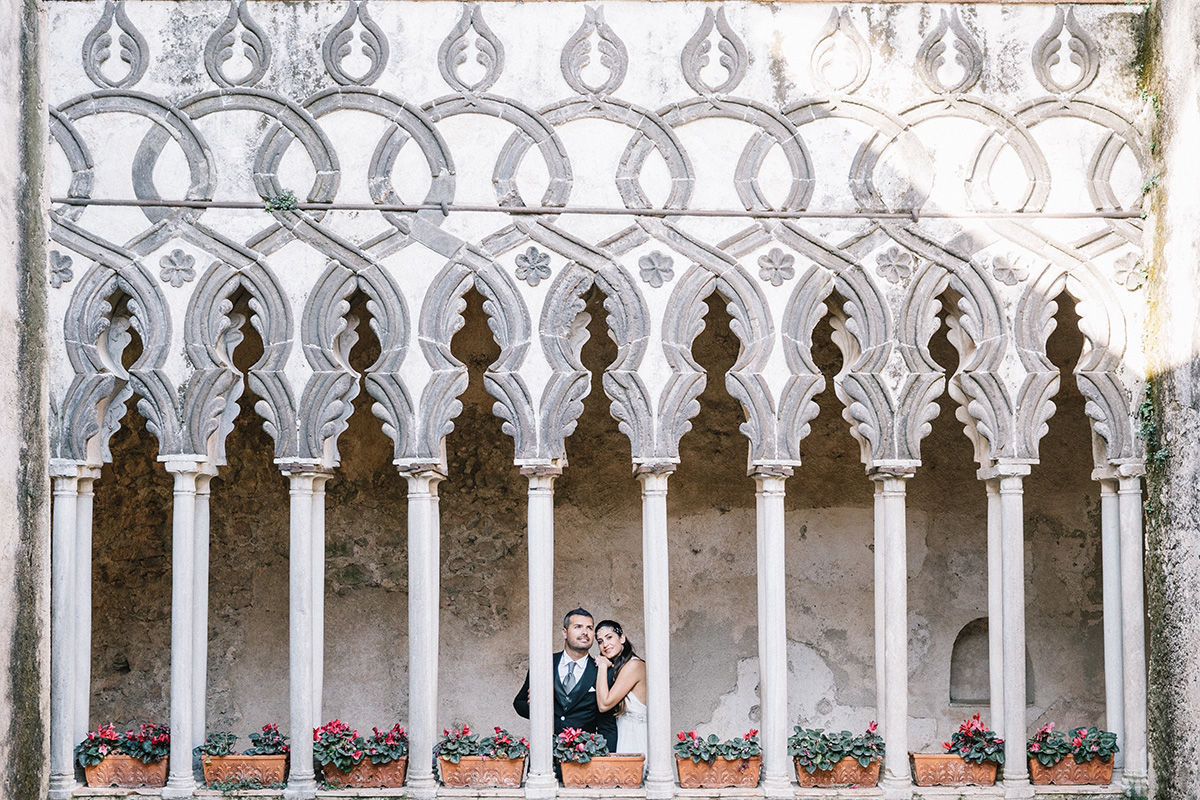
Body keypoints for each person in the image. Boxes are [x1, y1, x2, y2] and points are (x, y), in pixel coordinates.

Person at [514, 607, 618, 750]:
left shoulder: (602, 671)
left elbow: (607, 726)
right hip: (545, 752)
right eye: (578, 627)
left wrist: (606, 763)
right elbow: (519, 703)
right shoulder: (544, 664)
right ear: (564, 632)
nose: (585, 632)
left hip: (583, 757)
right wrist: (536, 706)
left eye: (589, 628)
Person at [593, 619, 647, 756]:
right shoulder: (620, 667)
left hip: (636, 737)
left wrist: (602, 666)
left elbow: (604, 704)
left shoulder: (634, 665)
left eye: (609, 637)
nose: (605, 644)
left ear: (622, 638)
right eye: (600, 641)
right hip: (624, 733)